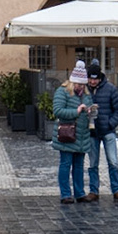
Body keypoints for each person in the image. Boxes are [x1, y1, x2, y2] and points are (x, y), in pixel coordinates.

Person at [51, 65, 94, 205]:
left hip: (82, 135)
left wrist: (91, 112)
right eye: (78, 84)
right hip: (67, 134)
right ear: (72, 82)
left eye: (82, 84)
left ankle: (79, 193)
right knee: (65, 164)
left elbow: (89, 112)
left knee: (79, 166)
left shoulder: (87, 95)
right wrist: (76, 111)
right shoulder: (62, 92)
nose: (80, 87)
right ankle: (65, 194)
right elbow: (57, 111)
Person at [86, 58, 118, 200]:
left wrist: (110, 123)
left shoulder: (110, 89)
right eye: (90, 79)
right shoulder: (85, 90)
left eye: (94, 79)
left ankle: (117, 189)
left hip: (107, 131)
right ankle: (93, 191)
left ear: (99, 78)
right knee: (92, 163)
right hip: (92, 132)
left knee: (113, 161)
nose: (92, 82)